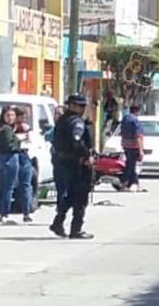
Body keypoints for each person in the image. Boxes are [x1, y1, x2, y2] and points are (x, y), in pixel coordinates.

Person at [49, 95, 95, 239]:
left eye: (84, 106)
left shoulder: (63, 120)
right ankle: (76, 229)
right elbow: (76, 141)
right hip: (77, 163)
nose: (83, 109)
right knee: (80, 197)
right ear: (72, 105)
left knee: (71, 196)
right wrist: (86, 156)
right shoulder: (76, 122)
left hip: (64, 162)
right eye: (80, 106)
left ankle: (58, 222)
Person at [12, 106, 34, 223]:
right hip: (19, 155)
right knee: (21, 185)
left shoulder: (23, 127)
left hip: (22, 155)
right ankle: (25, 213)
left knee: (24, 185)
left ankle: (26, 212)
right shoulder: (12, 128)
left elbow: (30, 141)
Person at [120, 105, 145, 192]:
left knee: (131, 165)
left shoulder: (125, 119)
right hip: (134, 146)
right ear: (137, 111)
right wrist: (141, 150)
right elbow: (138, 136)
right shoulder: (135, 121)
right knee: (130, 166)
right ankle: (124, 183)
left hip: (126, 145)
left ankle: (135, 184)